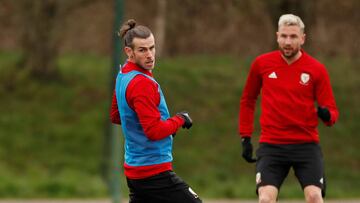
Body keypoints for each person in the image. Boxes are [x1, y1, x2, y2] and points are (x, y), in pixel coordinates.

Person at [238, 14, 339, 203]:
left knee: (315, 197)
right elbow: (248, 100)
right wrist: (245, 136)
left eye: (293, 37)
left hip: (306, 145)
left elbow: (332, 112)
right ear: (277, 36)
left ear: (303, 38)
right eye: (283, 36)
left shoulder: (316, 69)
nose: (287, 41)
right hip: (272, 144)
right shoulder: (262, 64)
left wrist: (327, 115)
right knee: (266, 199)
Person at [110, 19, 202, 203]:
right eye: (142, 50)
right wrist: (179, 120)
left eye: (152, 48)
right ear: (129, 52)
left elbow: (117, 116)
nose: (150, 55)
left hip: (135, 171)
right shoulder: (142, 83)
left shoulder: (123, 75)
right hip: (153, 172)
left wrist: (160, 127)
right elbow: (153, 131)